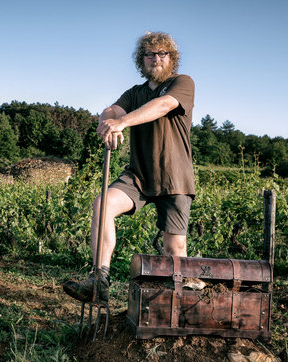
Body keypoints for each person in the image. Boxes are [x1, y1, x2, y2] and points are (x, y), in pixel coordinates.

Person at [63, 31, 195, 303]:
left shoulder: (182, 83)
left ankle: (179, 306)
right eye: (149, 54)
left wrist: (123, 123)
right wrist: (107, 122)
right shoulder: (135, 93)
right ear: (141, 60)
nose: (155, 59)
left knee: (175, 249)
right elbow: (112, 110)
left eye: (162, 53)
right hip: (137, 175)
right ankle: (99, 280)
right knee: (103, 205)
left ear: (171, 58)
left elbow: (162, 105)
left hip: (175, 178)